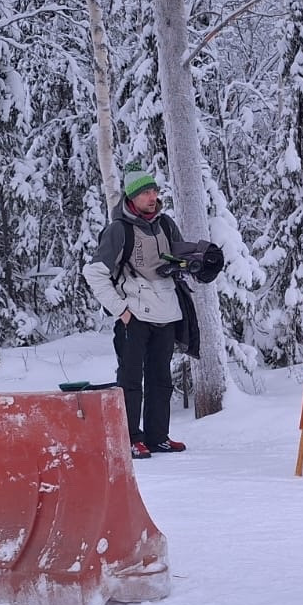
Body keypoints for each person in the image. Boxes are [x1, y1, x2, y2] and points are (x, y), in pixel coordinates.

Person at [83, 163, 223, 459]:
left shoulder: (165, 223)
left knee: (161, 379)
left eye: (155, 191)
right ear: (132, 198)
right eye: (146, 192)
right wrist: (121, 310)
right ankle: (130, 438)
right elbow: (94, 272)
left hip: (166, 312)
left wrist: (197, 261)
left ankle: (158, 436)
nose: (152, 196)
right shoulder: (118, 230)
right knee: (131, 380)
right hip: (134, 316)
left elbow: (177, 257)